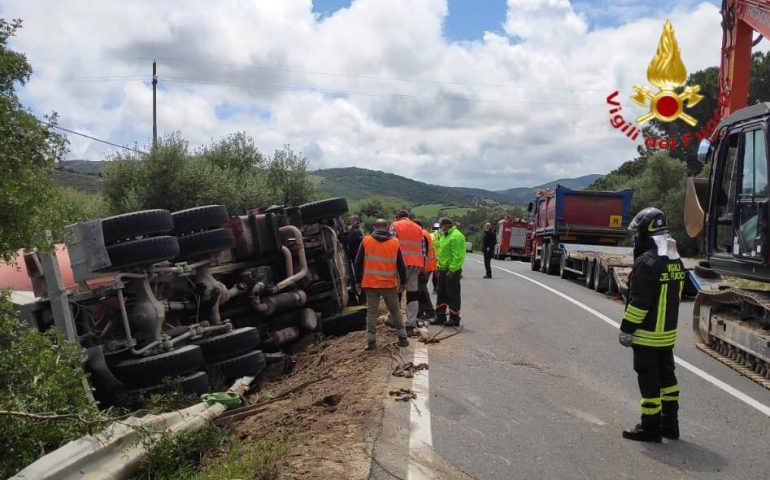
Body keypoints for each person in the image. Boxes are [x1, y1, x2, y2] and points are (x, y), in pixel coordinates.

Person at [619, 207, 685, 443]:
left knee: (649, 382)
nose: (635, 239)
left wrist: (626, 329)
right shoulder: (675, 261)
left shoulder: (646, 263)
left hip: (647, 335)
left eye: (637, 234)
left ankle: (650, 428)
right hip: (667, 335)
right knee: (668, 379)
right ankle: (670, 425)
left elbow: (639, 304)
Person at [354, 218, 409, 351]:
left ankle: (371, 342)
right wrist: (403, 282)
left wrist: (357, 281)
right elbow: (401, 265)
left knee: (371, 312)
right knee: (395, 310)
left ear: (374, 227)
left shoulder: (366, 240)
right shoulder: (395, 242)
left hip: (371, 284)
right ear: (387, 227)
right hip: (389, 284)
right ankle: (403, 339)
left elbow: (357, 263)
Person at [390, 210, 427, 334]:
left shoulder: (395, 225)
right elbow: (423, 250)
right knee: (412, 294)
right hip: (416, 265)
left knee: (397, 292)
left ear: (398, 217)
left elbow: (392, 244)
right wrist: (422, 266)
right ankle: (410, 324)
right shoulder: (417, 228)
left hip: (400, 264)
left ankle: (394, 320)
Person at [431, 217, 466, 327]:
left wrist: (452, 270)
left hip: (452, 271)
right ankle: (440, 316)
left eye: (440, 226)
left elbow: (459, 256)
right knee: (441, 293)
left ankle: (454, 318)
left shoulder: (456, 236)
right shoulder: (444, 236)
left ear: (446, 225)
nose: (439, 228)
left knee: (452, 295)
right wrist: (438, 266)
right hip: (442, 269)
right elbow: (442, 253)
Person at [414, 220, 436, 320]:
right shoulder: (424, 233)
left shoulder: (421, 234)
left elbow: (423, 253)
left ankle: (430, 311)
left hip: (425, 267)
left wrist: (421, 268)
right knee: (420, 289)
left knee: (421, 289)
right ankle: (421, 312)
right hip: (428, 265)